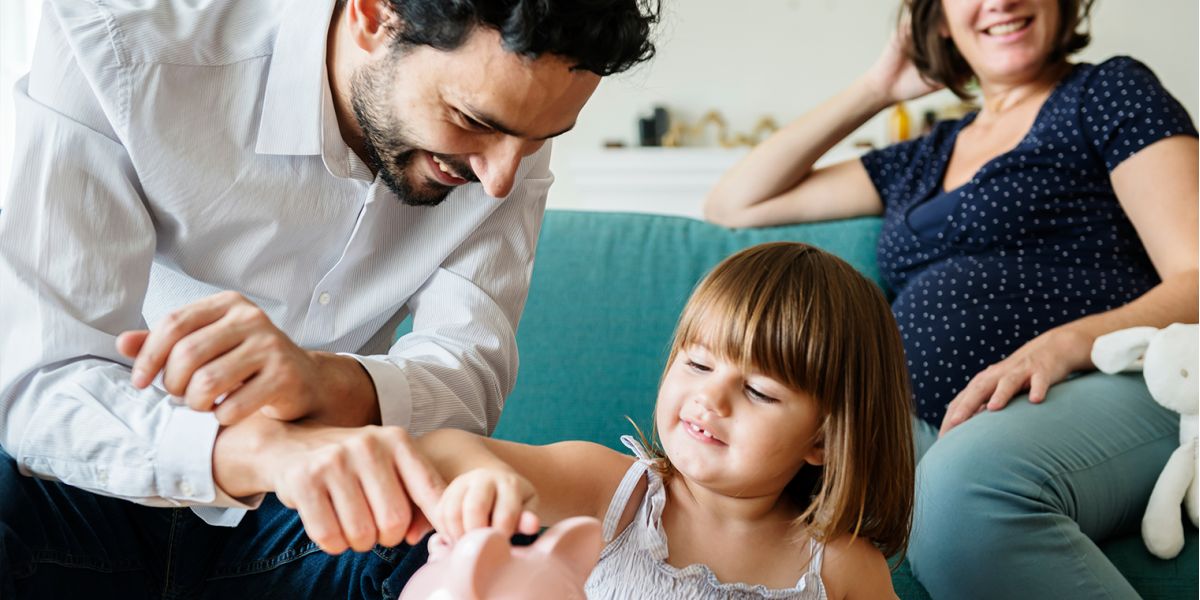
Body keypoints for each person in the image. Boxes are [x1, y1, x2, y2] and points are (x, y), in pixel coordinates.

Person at [0, 0, 658, 597]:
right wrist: (267, 452)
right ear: (375, 16)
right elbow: (40, 382)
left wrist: (326, 380)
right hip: (86, 494)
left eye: (539, 141)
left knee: (485, 550)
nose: (500, 179)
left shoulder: (507, 138)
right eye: (470, 122)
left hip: (313, 525)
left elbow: (467, 378)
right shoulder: (116, 46)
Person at [703, 0, 1197, 597]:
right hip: (931, 423)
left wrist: (1065, 345)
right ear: (936, 18)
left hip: (1106, 378)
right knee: (790, 471)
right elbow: (734, 204)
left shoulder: (1107, 92)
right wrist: (877, 86)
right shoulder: (925, 154)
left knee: (966, 490)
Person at [418, 242, 916, 600]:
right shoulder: (616, 494)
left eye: (759, 391)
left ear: (825, 440)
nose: (710, 397)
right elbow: (442, 450)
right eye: (698, 364)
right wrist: (486, 477)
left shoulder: (840, 567)